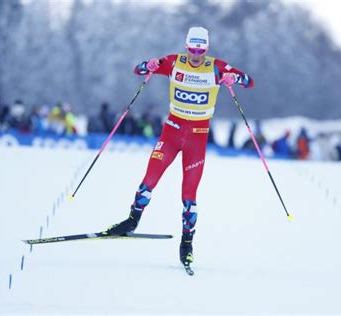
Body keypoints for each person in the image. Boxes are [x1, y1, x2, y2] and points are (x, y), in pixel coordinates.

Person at [106, 27, 254, 268]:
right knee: (149, 180)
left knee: (189, 197)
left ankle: (187, 244)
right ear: (187, 47)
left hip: (197, 138)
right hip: (172, 132)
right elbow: (139, 69)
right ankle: (132, 221)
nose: (196, 54)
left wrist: (234, 78)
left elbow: (249, 82)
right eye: (193, 48)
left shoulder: (217, 67)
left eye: (201, 49)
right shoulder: (175, 62)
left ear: (206, 49)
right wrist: (150, 65)